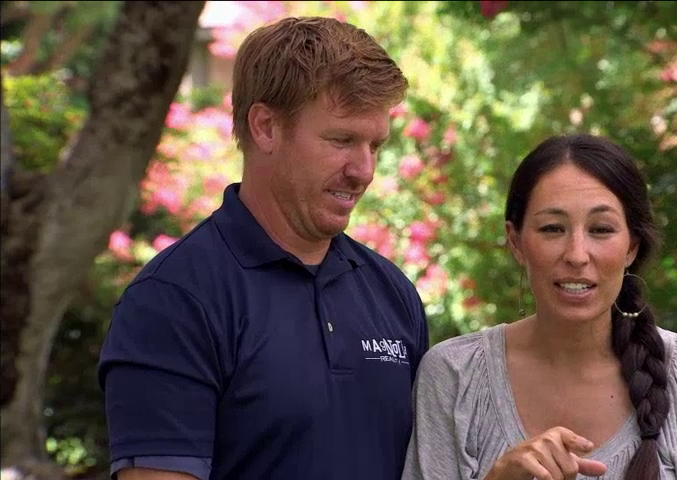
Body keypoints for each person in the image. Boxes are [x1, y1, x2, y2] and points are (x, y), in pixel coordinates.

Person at [98, 16, 430, 480]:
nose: (364, 171)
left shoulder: (392, 293)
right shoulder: (173, 300)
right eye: (342, 140)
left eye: (375, 146)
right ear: (266, 127)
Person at [401, 133, 677, 480]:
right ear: (516, 242)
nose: (576, 255)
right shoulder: (454, 375)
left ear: (632, 246)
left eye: (601, 229)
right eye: (553, 228)